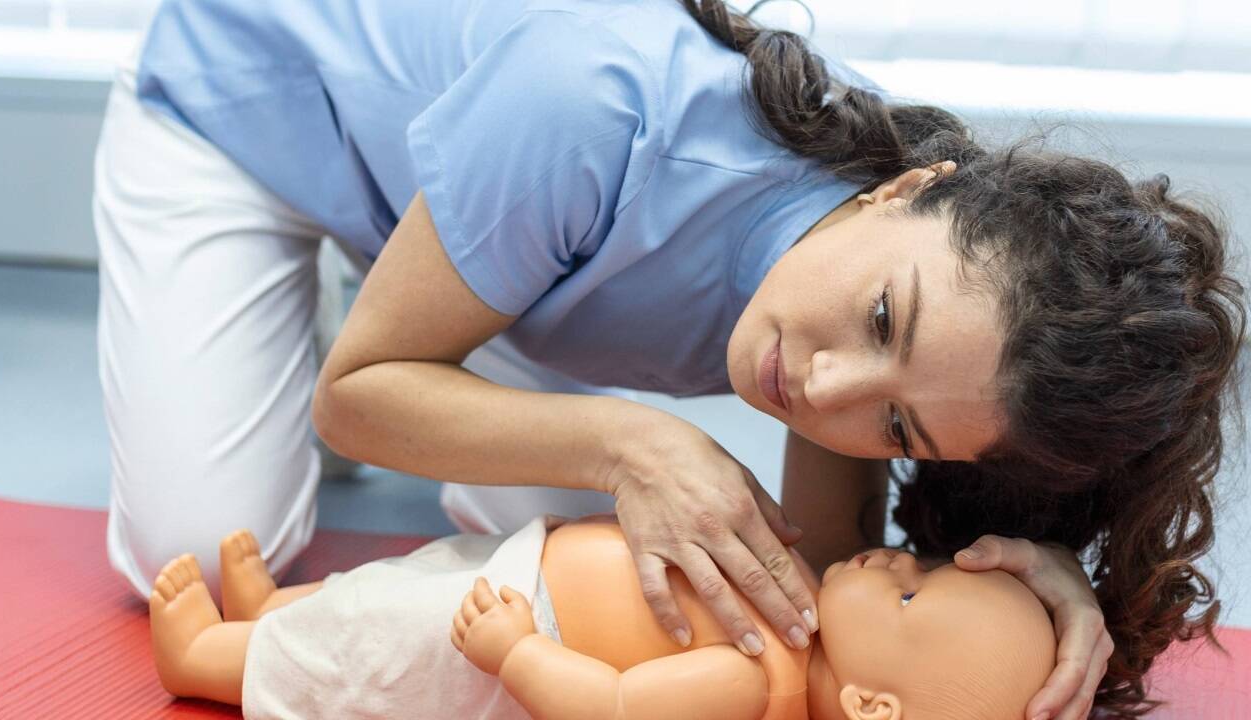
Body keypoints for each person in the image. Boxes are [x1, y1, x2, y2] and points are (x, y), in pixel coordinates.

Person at [92, 1, 1244, 717]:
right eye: (883, 319)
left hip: (521, 250)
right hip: (244, 104)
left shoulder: (906, 317)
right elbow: (352, 402)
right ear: (897, 191)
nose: (825, 390)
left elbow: (830, 579)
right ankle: (399, 284)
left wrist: (1031, 580)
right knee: (184, 550)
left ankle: (434, 279)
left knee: (614, 588)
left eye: (897, 430)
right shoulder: (595, 107)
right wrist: (632, 437)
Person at [147, 519, 1057, 720]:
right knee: (382, 587)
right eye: (926, 565)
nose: (901, 558)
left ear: (869, 706)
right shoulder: (802, 619)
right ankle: (273, 611)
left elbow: (616, 707)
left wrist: (521, 651)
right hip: (522, 565)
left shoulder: (754, 678)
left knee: (366, 647)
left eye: (910, 593)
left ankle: (206, 657)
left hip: (509, 633)